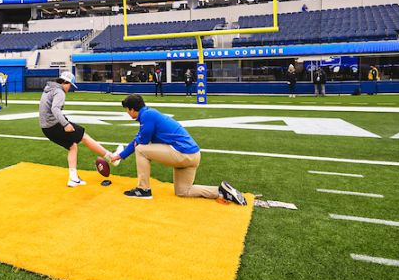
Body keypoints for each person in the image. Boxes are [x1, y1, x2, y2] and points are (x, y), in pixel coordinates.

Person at [108, 94, 246, 204]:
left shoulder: (147, 116)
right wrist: (120, 156)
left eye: (127, 110)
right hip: (193, 155)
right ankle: (221, 191)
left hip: (182, 154)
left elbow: (140, 143)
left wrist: (121, 155)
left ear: (132, 109)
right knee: (183, 191)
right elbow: (139, 139)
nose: (127, 113)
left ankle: (143, 190)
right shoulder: (149, 114)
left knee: (141, 150)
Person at [39, 71, 112, 187]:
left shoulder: (49, 89)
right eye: (70, 85)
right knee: (84, 136)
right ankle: (110, 157)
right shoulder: (59, 92)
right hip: (54, 125)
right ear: (66, 83)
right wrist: (65, 124)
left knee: (73, 146)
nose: (70, 89)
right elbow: (55, 109)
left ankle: (73, 178)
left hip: (46, 128)